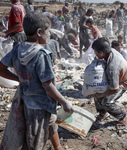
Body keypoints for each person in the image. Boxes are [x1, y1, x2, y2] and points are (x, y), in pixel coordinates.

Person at [0, 11, 74, 150]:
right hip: (40, 105)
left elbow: (1, 68)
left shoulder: (17, 49)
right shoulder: (41, 54)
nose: (50, 34)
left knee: (52, 123)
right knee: (35, 142)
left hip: (27, 100)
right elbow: (47, 84)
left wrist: (19, 79)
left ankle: (58, 147)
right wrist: (64, 102)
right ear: (39, 32)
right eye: (48, 31)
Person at [91, 37, 127, 126]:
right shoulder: (110, 51)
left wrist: (102, 94)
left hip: (122, 83)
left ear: (101, 53)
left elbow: (115, 90)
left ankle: (123, 116)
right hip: (115, 78)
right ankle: (103, 113)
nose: (95, 54)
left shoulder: (112, 68)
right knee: (96, 91)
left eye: (95, 52)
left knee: (107, 102)